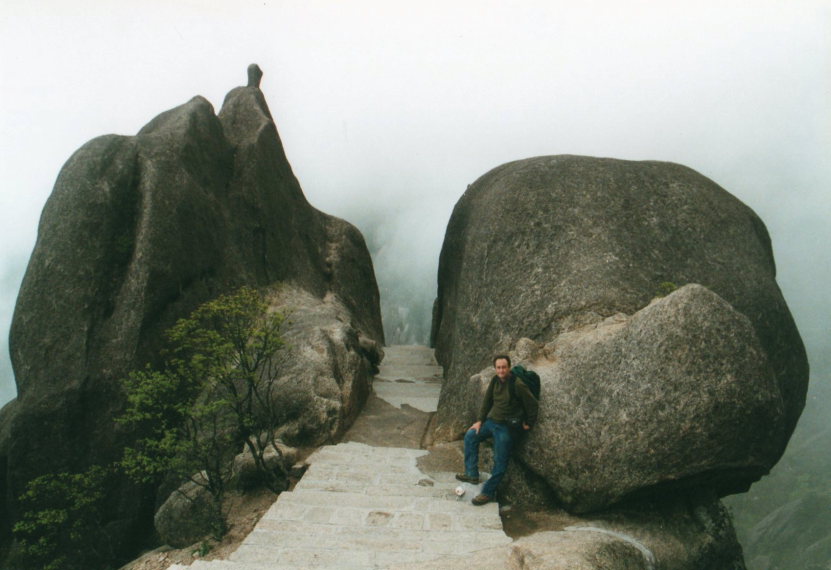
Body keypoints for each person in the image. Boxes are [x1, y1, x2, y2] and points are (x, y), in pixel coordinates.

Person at [456, 354, 538, 505]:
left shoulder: (517, 385)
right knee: (470, 436)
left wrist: (529, 423)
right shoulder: (495, 380)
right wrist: (480, 421)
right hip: (491, 422)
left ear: (509, 367)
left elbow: (532, 404)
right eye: (499, 368)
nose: (501, 370)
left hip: (505, 428)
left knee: (500, 460)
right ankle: (471, 474)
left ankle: (487, 492)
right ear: (495, 368)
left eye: (504, 367)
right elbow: (487, 401)